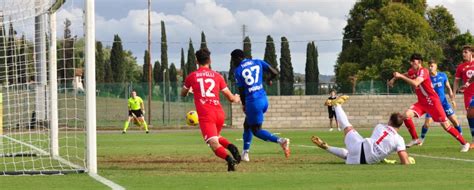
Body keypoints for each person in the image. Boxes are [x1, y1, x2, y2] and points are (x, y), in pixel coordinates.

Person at [388, 53, 469, 152]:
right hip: (422, 102)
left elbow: (415, 83)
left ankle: (465, 143)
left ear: (419, 62)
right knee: (405, 115)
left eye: (414, 61)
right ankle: (415, 138)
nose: (412, 63)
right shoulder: (412, 71)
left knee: (446, 126)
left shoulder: (424, 71)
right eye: (411, 61)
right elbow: (406, 74)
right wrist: (393, 79)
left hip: (433, 102)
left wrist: (400, 76)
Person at [181, 48, 242, 171]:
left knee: (213, 143)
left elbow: (182, 93)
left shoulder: (192, 76)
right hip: (219, 114)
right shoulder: (218, 76)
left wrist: (189, 90)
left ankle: (229, 159)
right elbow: (230, 98)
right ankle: (231, 146)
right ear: (210, 60)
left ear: (196, 61)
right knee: (215, 136)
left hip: (206, 115)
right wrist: (237, 97)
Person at [311, 95, 412, 165]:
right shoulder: (399, 140)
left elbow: (379, 142)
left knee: (348, 128)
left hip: (361, 146)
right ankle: (327, 148)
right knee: (350, 155)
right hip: (363, 161)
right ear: (400, 125)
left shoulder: (380, 126)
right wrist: (408, 161)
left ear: (390, 121)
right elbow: (404, 161)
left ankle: (337, 106)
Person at [231, 49, 290, 162]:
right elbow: (275, 72)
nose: (233, 62)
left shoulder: (238, 70)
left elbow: (242, 90)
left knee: (256, 130)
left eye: (233, 59)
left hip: (253, 102)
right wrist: (268, 80)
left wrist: (244, 105)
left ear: (238, 58)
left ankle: (281, 141)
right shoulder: (258, 61)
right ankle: (245, 153)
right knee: (247, 124)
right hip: (263, 100)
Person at [419, 60, 462, 144]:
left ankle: (461, 136)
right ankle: (421, 138)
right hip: (433, 105)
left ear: (436, 67)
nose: (430, 68)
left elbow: (449, 88)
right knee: (427, 123)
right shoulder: (426, 78)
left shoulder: (443, 75)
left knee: (455, 121)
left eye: (432, 66)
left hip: (444, 103)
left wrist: (452, 100)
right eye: (429, 66)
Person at [453, 45, 474, 149]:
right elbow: (456, 81)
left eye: (466, 52)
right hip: (468, 94)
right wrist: (453, 95)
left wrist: (467, 83)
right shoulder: (461, 67)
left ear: (471, 53)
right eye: (463, 52)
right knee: (470, 115)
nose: (463, 54)